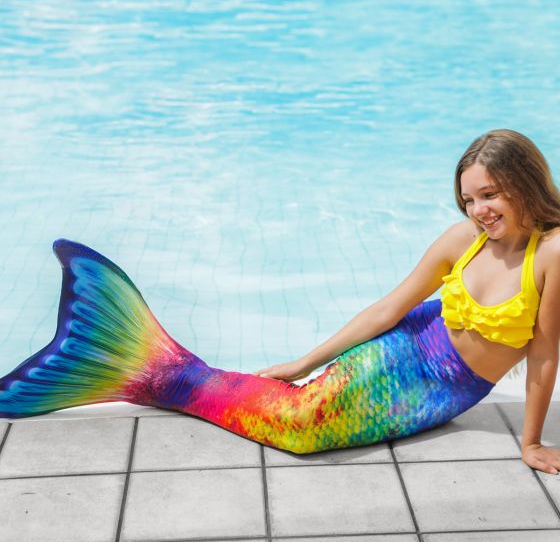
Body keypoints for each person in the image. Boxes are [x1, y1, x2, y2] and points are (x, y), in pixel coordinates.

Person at [0, 129, 559, 475]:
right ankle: (159, 374)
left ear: (526, 183)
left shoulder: (551, 254)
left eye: (490, 194)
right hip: (404, 350)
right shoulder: (463, 241)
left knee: (303, 429)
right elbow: (387, 312)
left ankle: (157, 369)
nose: (479, 210)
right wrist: (303, 362)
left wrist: (530, 443)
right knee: (300, 421)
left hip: (447, 390)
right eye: (468, 199)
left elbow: (544, 355)